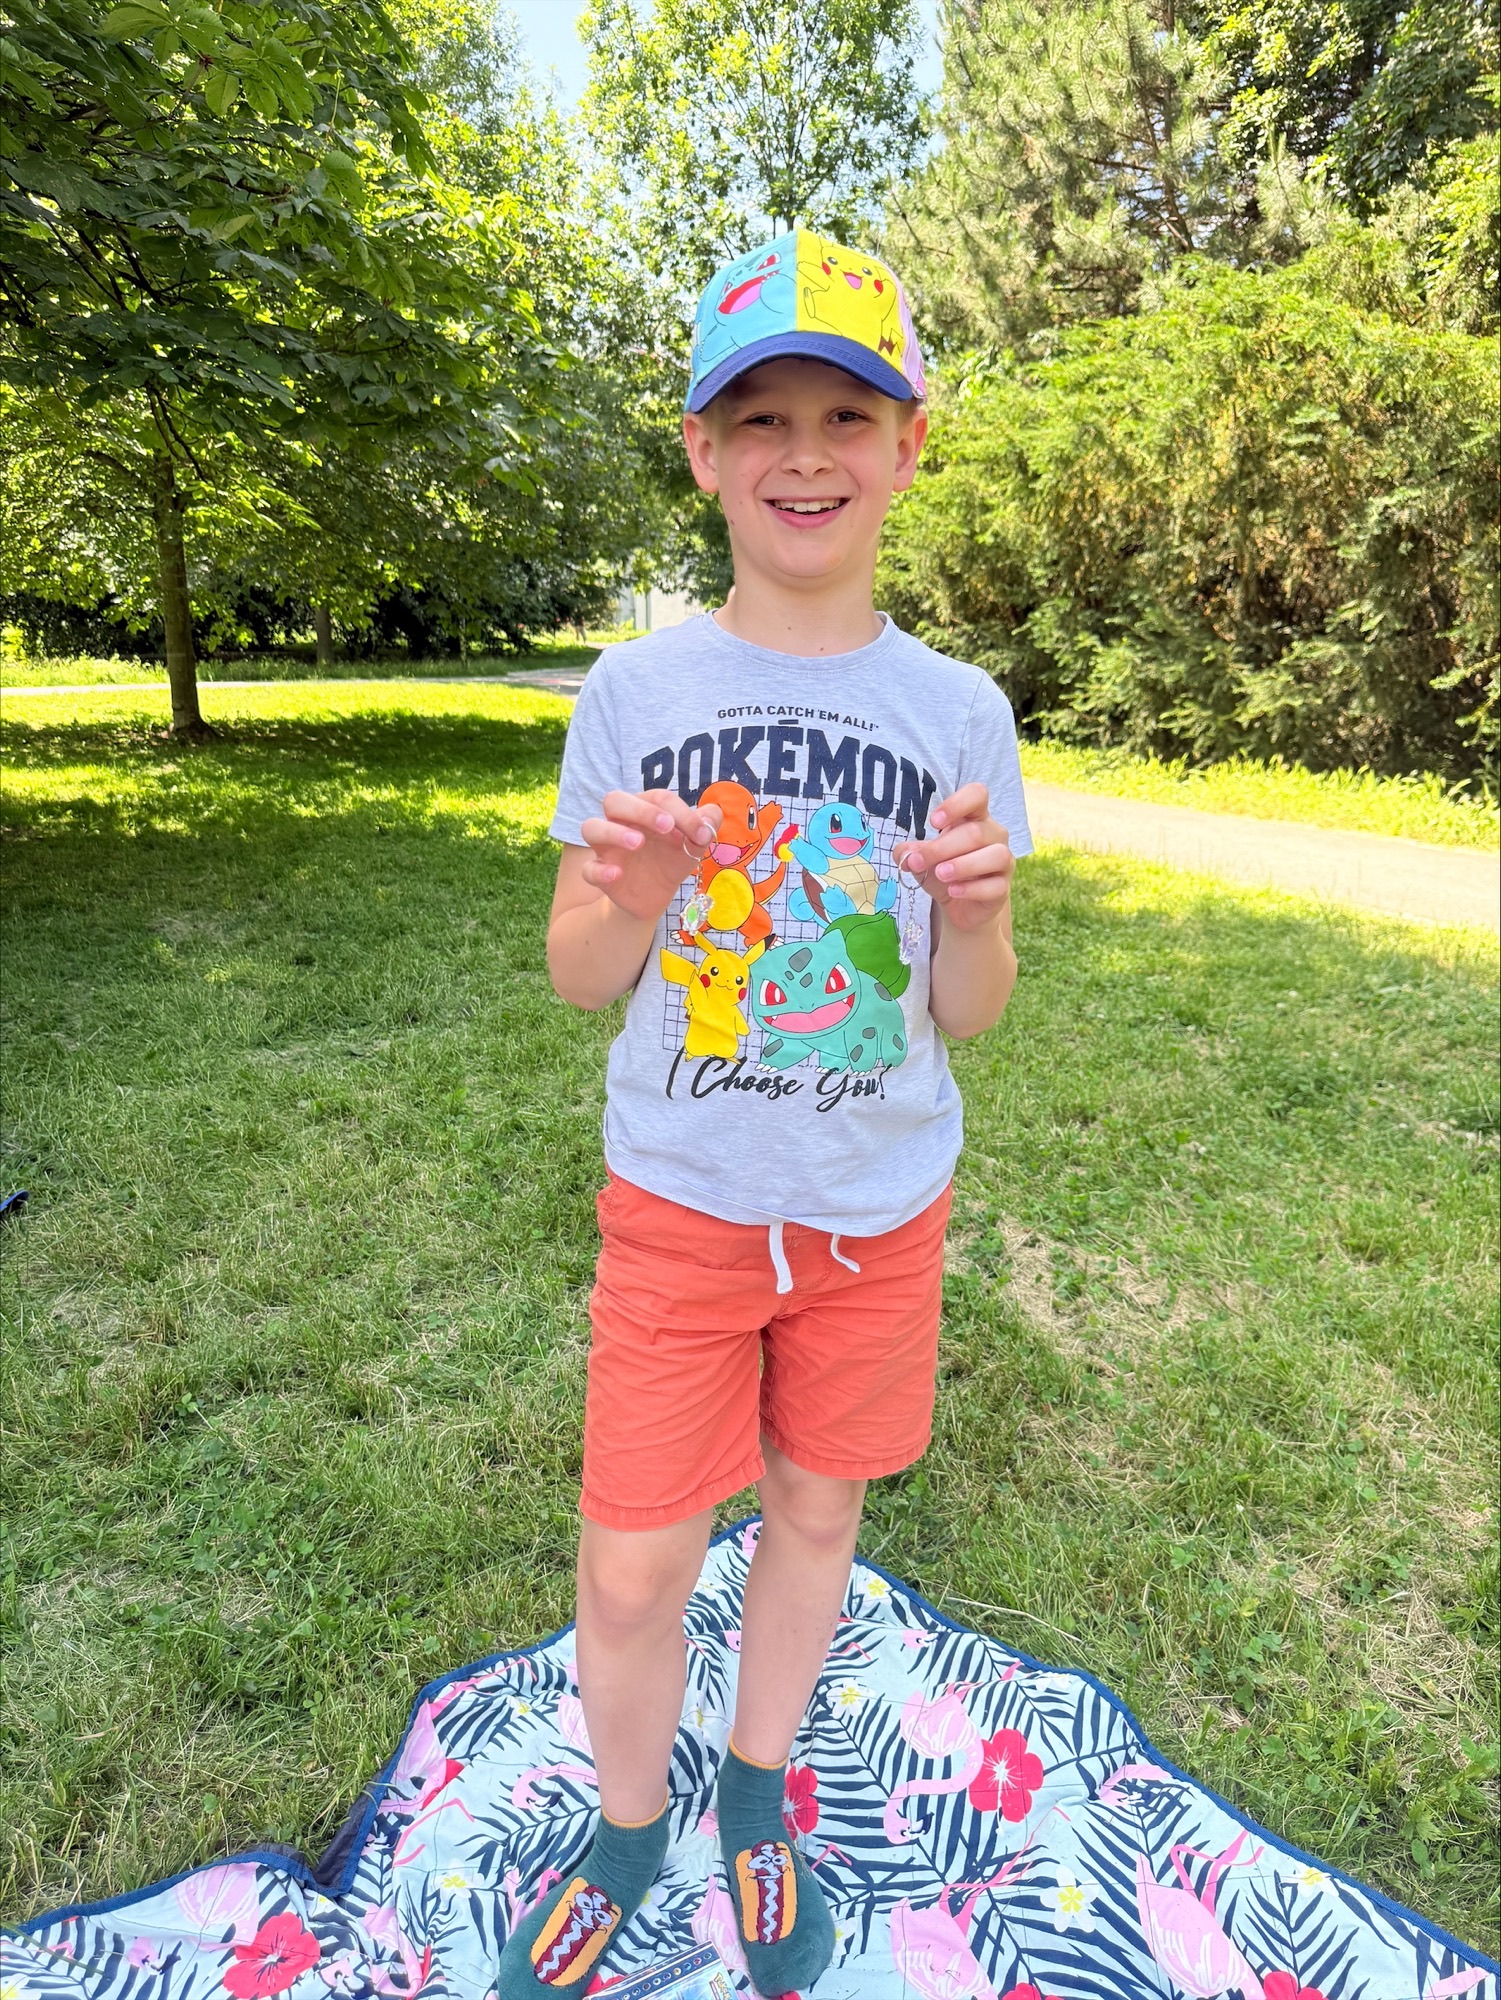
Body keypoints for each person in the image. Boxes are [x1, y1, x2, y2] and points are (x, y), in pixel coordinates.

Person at [499, 228, 1032, 1997]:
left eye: (846, 415)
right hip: (683, 1203)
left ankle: (752, 1786)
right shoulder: (636, 693)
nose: (806, 454)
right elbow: (579, 973)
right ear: (703, 452)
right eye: (762, 418)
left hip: (879, 1212)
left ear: (908, 446)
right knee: (633, 1566)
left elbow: (968, 1011)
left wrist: (979, 919)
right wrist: (637, 891)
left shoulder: (957, 711)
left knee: (814, 1518)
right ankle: (625, 1822)